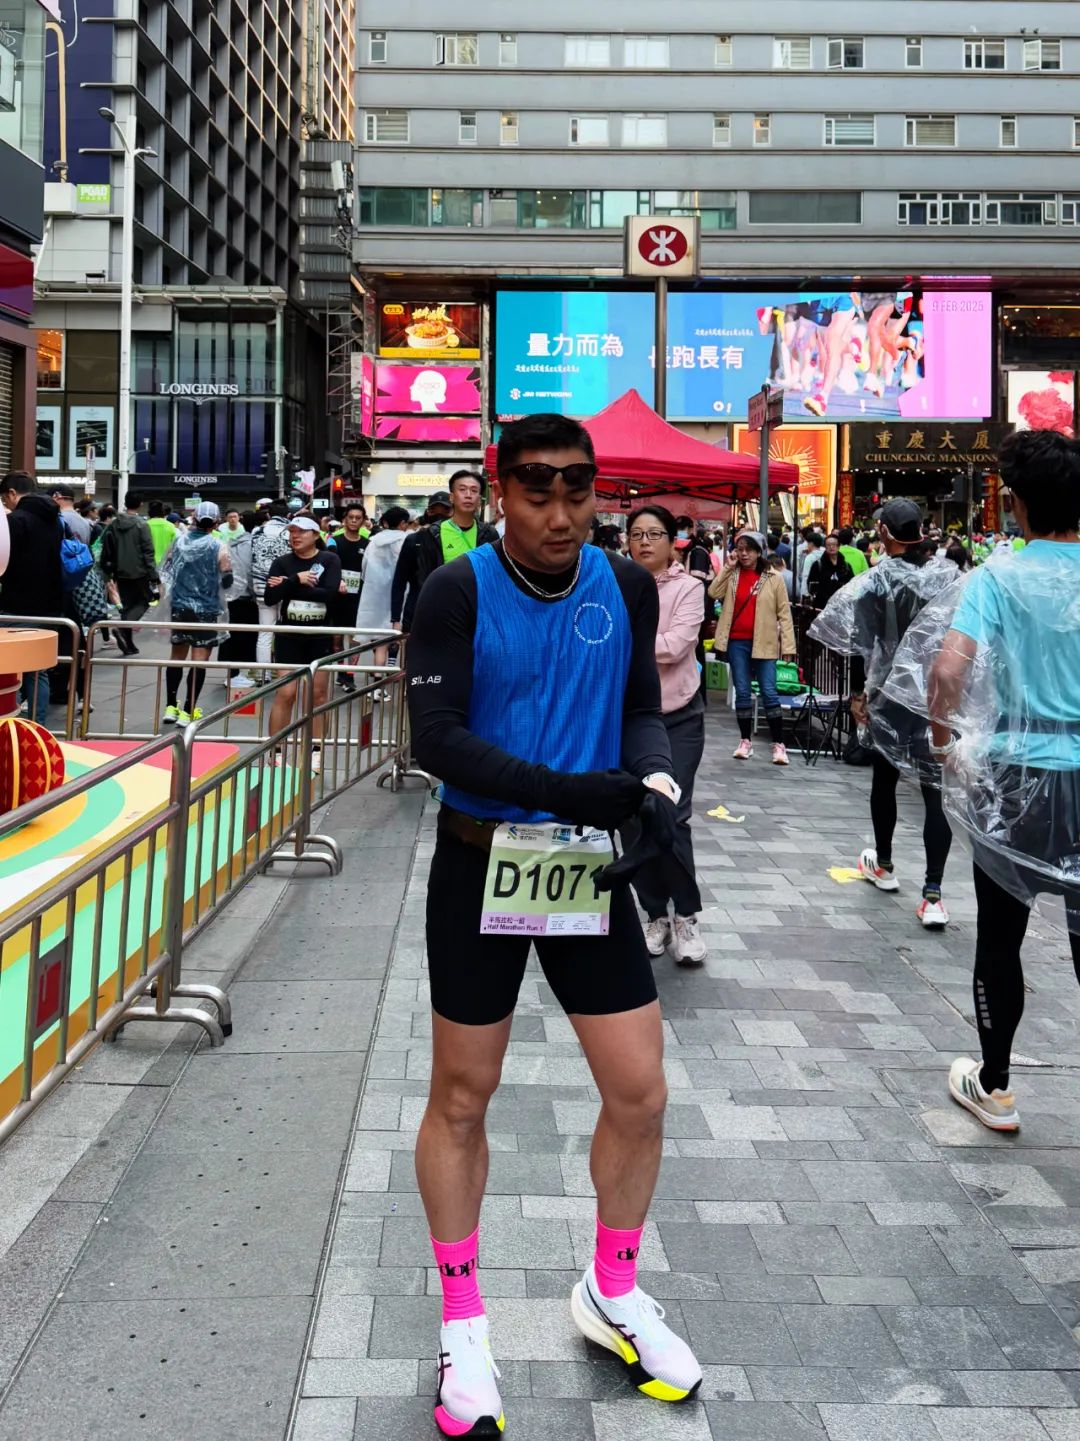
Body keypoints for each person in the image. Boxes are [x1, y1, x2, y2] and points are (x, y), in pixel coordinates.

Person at [406, 412, 701, 1437]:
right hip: (478, 862)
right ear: (499, 490)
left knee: (641, 1090)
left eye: (579, 489)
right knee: (462, 1095)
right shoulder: (456, 589)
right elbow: (436, 738)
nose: (561, 512)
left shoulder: (623, 584)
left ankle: (613, 1291)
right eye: (538, 490)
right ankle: (462, 1322)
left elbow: (639, 710)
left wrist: (655, 783)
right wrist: (570, 787)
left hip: (584, 869)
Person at [920, 430, 1080, 1131]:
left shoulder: (997, 577)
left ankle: (997, 1085)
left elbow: (947, 670)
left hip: (1016, 778)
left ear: (1015, 503)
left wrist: (944, 743)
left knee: (1001, 934)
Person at [810, 499, 960, 928]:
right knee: (934, 790)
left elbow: (863, 643)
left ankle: (885, 864)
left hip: (890, 694)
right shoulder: (948, 578)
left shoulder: (875, 581)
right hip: (934, 697)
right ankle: (933, 893)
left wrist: (860, 694)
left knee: (885, 778)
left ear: (884, 533)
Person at [627, 506, 708, 966]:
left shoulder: (689, 588)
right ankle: (655, 914)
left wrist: (620, 643)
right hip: (626, 717)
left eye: (655, 533)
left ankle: (686, 917)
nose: (645, 542)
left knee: (672, 814)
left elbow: (676, 646)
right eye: (637, 534)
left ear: (672, 540)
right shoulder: (615, 583)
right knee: (634, 817)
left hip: (678, 716)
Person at [709, 529, 797, 764]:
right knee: (743, 691)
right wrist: (727, 568)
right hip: (737, 641)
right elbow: (713, 591)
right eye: (740, 549)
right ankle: (745, 741)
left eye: (749, 550)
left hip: (765, 642)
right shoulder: (733, 574)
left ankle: (779, 744)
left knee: (769, 691)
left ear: (759, 552)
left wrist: (788, 646)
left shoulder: (773, 578)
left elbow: (784, 614)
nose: (744, 554)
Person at [263, 516, 342, 763]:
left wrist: (287, 585)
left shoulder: (329, 559)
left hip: (320, 635)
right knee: (286, 693)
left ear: (316, 535)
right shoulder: (282, 562)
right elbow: (270, 597)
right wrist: (296, 579)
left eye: (301, 532)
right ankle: (276, 750)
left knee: (318, 695)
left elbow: (329, 594)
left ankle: (315, 750)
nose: (295, 536)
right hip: (288, 635)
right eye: (292, 532)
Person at [159, 501, 232, 724]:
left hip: (180, 607)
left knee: (177, 657)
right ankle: (188, 711)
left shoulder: (178, 541)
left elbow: (165, 571)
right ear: (216, 522)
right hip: (207, 609)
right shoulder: (219, 545)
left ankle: (170, 707)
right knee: (199, 660)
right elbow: (228, 580)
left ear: (194, 518)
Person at [0, 471, 63, 724]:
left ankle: (11, 724)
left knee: (11, 667)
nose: (6, 504)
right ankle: (38, 726)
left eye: (5, 499)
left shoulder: (15, 521)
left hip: (17, 604)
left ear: (12, 493)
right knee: (38, 671)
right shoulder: (55, 520)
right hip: (50, 605)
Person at [405, 471, 500, 617]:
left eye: (474, 490)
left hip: (478, 611)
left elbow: (493, 577)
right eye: (462, 489)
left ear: (479, 499)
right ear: (451, 497)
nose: (468, 495)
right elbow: (425, 578)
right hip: (441, 610)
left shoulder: (489, 534)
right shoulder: (433, 533)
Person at [355, 506, 410, 691]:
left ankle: (377, 681)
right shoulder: (406, 540)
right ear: (402, 523)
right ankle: (401, 678)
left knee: (380, 640)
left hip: (375, 593)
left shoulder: (373, 541)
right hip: (401, 593)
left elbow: (364, 568)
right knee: (402, 636)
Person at [97, 490, 158, 656]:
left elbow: (106, 545)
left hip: (119, 571)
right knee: (145, 601)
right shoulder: (142, 525)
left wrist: (108, 571)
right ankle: (123, 629)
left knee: (127, 606)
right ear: (140, 504)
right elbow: (148, 552)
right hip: (139, 571)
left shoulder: (114, 524)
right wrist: (153, 574)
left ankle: (129, 644)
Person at [390, 491, 452, 637]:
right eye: (434, 510)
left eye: (445, 510)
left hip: (452, 611)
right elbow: (399, 580)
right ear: (428, 512)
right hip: (417, 609)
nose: (439, 515)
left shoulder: (461, 539)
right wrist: (396, 618)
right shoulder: (414, 540)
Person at [329, 502, 372, 690]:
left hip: (359, 598)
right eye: (351, 517)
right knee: (337, 639)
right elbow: (329, 565)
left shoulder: (368, 544)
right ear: (344, 520)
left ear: (363, 521)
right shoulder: (334, 541)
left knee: (356, 638)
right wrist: (337, 581)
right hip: (338, 597)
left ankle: (350, 675)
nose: (354, 521)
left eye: (358, 518)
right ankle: (341, 672)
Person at [218, 510, 260, 684]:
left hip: (231, 596)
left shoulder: (232, 542)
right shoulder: (252, 543)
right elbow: (249, 571)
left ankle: (232, 674)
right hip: (247, 597)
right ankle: (244, 675)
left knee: (231, 635)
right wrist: (254, 592)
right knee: (248, 637)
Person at [251, 500, 292, 669]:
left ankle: (264, 673)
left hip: (261, 585)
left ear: (269, 514)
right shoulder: (290, 532)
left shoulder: (257, 531)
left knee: (265, 633)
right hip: (285, 585)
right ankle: (283, 670)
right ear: (288, 514)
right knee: (285, 632)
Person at [808, 534, 855, 609]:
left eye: (834, 544)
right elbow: (811, 585)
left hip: (841, 606)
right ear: (825, 547)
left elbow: (852, 585)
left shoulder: (846, 566)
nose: (831, 547)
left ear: (838, 546)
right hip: (822, 606)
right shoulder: (817, 565)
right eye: (828, 545)